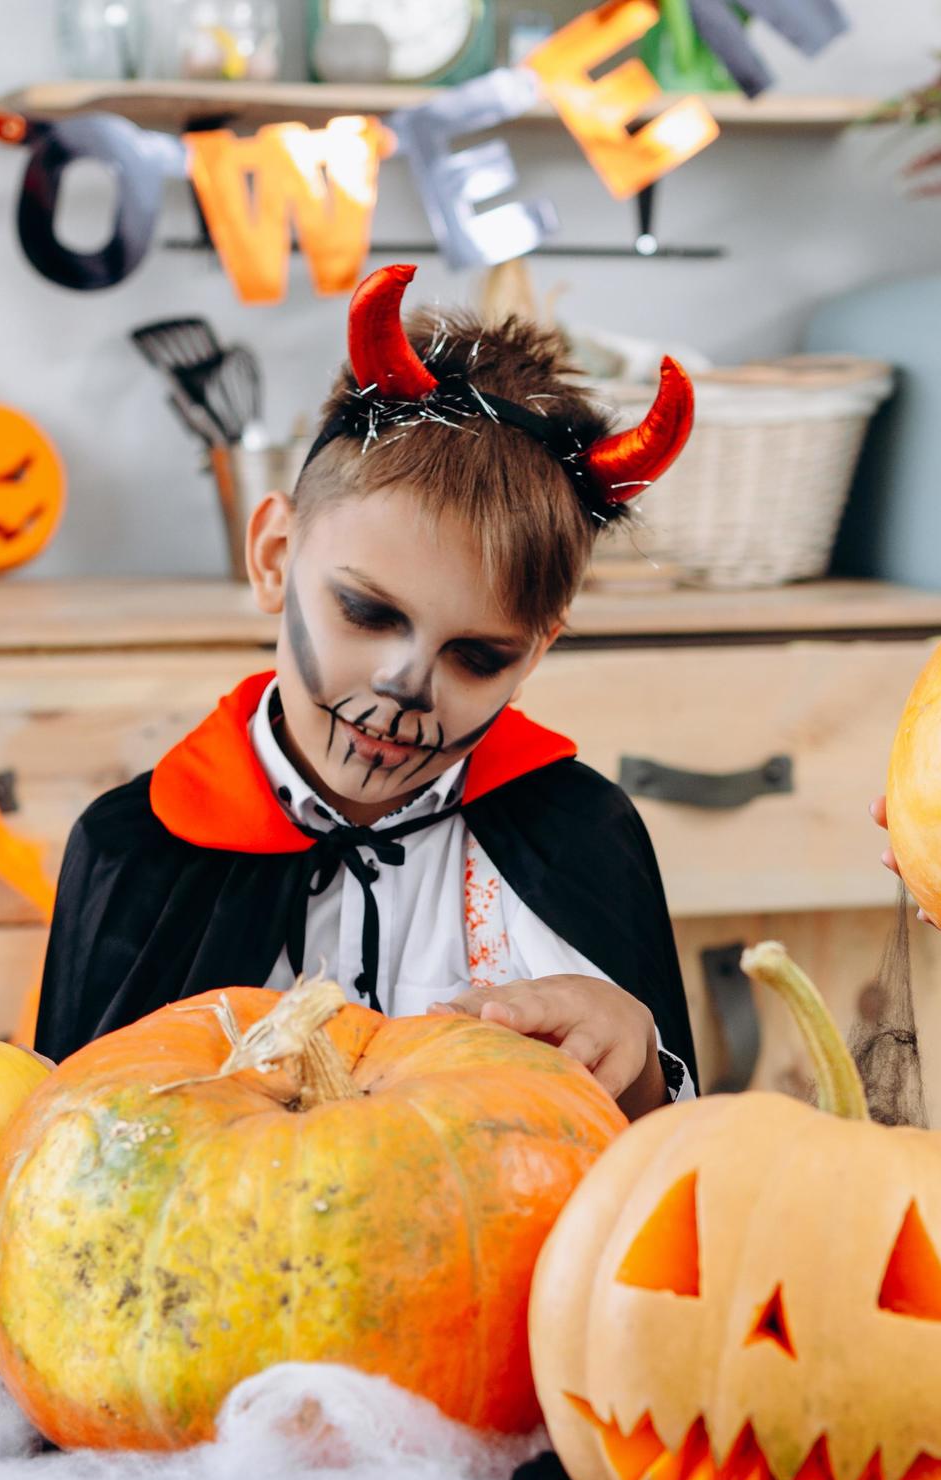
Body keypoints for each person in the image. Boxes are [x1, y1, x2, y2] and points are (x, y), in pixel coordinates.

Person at [35, 265, 701, 1116]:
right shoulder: (138, 851)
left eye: (479, 656)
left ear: (536, 652)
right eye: (367, 612)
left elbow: (658, 1175)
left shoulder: (578, 839)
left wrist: (634, 1053)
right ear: (275, 556)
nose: (407, 685)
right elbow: (62, 1161)